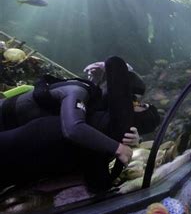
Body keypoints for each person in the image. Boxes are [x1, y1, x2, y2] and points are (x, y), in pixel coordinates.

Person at [0, 56, 161, 190]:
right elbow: (73, 128)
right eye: (132, 100)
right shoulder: (78, 91)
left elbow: (104, 123)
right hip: (5, 118)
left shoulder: (93, 102)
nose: (131, 105)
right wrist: (117, 148)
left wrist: (134, 138)